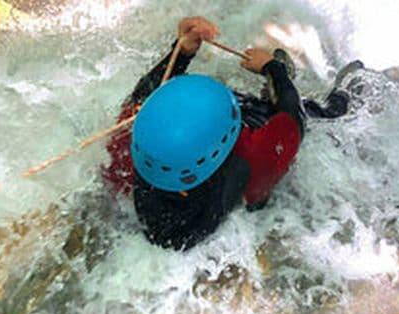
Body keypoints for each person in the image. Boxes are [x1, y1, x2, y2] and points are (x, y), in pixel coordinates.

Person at [101, 16, 357, 250]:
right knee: (313, 113)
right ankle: (348, 94)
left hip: (194, 201)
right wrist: (273, 71)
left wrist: (182, 52)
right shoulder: (254, 157)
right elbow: (294, 119)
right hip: (241, 187)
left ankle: (268, 96)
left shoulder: (131, 141)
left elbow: (146, 94)